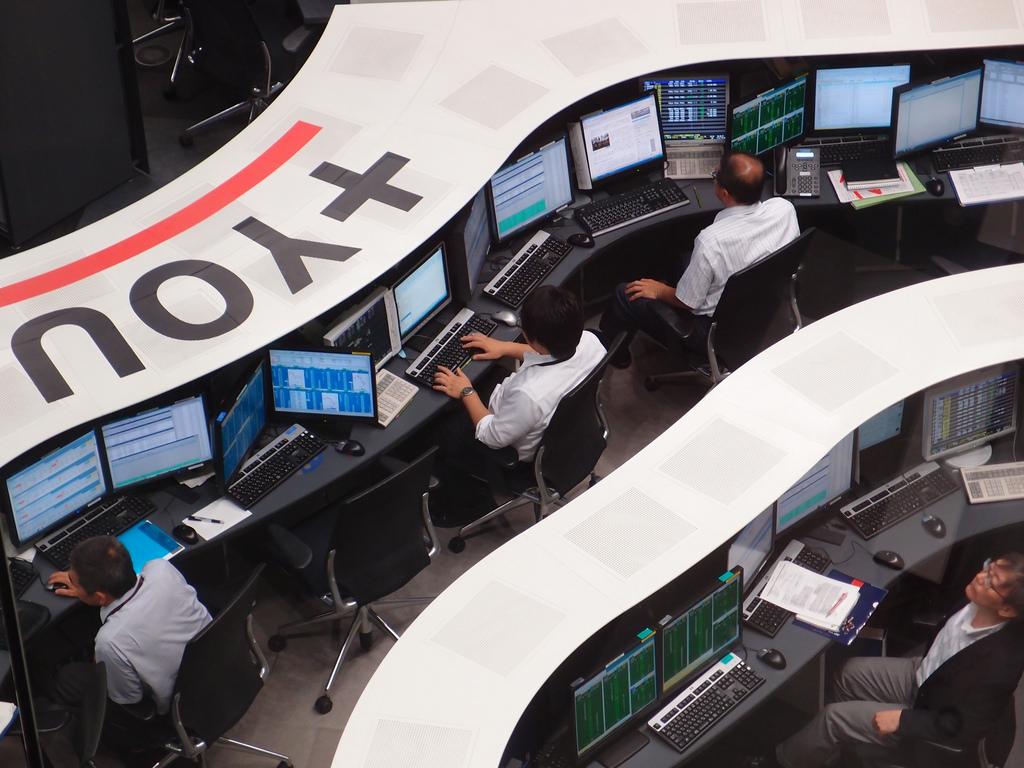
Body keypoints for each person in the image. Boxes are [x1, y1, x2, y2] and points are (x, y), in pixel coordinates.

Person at [774, 553, 1024, 768]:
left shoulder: (999, 667)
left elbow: (960, 728)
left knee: (832, 718)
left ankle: (781, 762)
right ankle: (836, 749)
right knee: (847, 673)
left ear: (1006, 610)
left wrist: (901, 720)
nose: (980, 577)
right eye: (988, 568)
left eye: (991, 581)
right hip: (927, 676)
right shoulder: (974, 599)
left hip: (930, 716)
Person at [598, 151, 799, 368]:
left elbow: (688, 303)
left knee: (625, 294)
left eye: (715, 176)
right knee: (683, 259)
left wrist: (658, 290)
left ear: (724, 193)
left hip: (713, 332)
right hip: (766, 310)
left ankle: (610, 352)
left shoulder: (712, 242)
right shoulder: (784, 209)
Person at [429, 285, 606, 525]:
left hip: (511, 450)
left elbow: (491, 436)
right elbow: (553, 354)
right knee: (486, 375)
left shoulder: (529, 395)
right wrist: (504, 347)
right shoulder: (591, 342)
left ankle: (466, 502)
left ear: (535, 340)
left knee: (437, 431)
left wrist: (466, 392)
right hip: (568, 433)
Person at [47, 536, 212, 717]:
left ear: (100, 597)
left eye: (74, 582)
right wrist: (84, 589)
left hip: (179, 703)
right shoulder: (161, 569)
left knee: (67, 677)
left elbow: (129, 698)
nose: (70, 581)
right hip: (213, 661)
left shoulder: (110, 641)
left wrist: (102, 659)